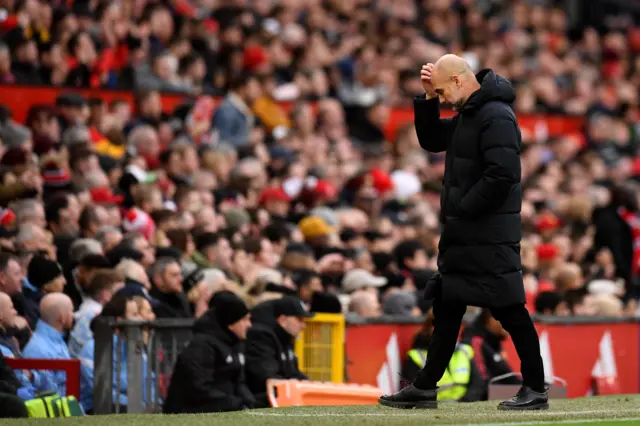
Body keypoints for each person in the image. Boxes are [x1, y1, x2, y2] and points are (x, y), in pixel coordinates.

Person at [379, 55, 547, 411]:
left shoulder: (496, 115)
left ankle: (535, 387)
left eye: (440, 91)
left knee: (509, 309)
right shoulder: (470, 113)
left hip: (487, 231)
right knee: (448, 306)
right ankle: (425, 386)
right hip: (467, 230)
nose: (440, 98)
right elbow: (432, 140)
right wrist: (425, 99)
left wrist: (461, 209)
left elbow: (502, 176)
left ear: (458, 80)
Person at [163, 291, 254, 413]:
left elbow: (239, 381)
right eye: (244, 320)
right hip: (192, 410)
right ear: (231, 324)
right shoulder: (202, 345)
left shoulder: (236, 343)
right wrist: (235, 404)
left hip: (226, 405)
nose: (249, 325)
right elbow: (198, 387)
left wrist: (248, 401)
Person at [401, 306, 484, 402]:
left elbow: (477, 383)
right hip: (435, 405)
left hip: (463, 404)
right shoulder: (416, 356)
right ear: (427, 328)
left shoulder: (465, 351)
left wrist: (464, 402)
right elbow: (412, 390)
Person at [245, 295, 313, 408]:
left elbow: (293, 372)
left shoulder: (286, 338)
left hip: (277, 393)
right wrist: (296, 388)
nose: (303, 325)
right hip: (261, 398)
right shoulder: (261, 337)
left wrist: (310, 386)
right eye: (299, 319)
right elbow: (267, 377)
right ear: (282, 319)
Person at [22, 293, 74, 397]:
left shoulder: (56, 340)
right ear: (62, 317)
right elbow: (49, 393)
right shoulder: (38, 349)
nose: (74, 315)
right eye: (71, 310)